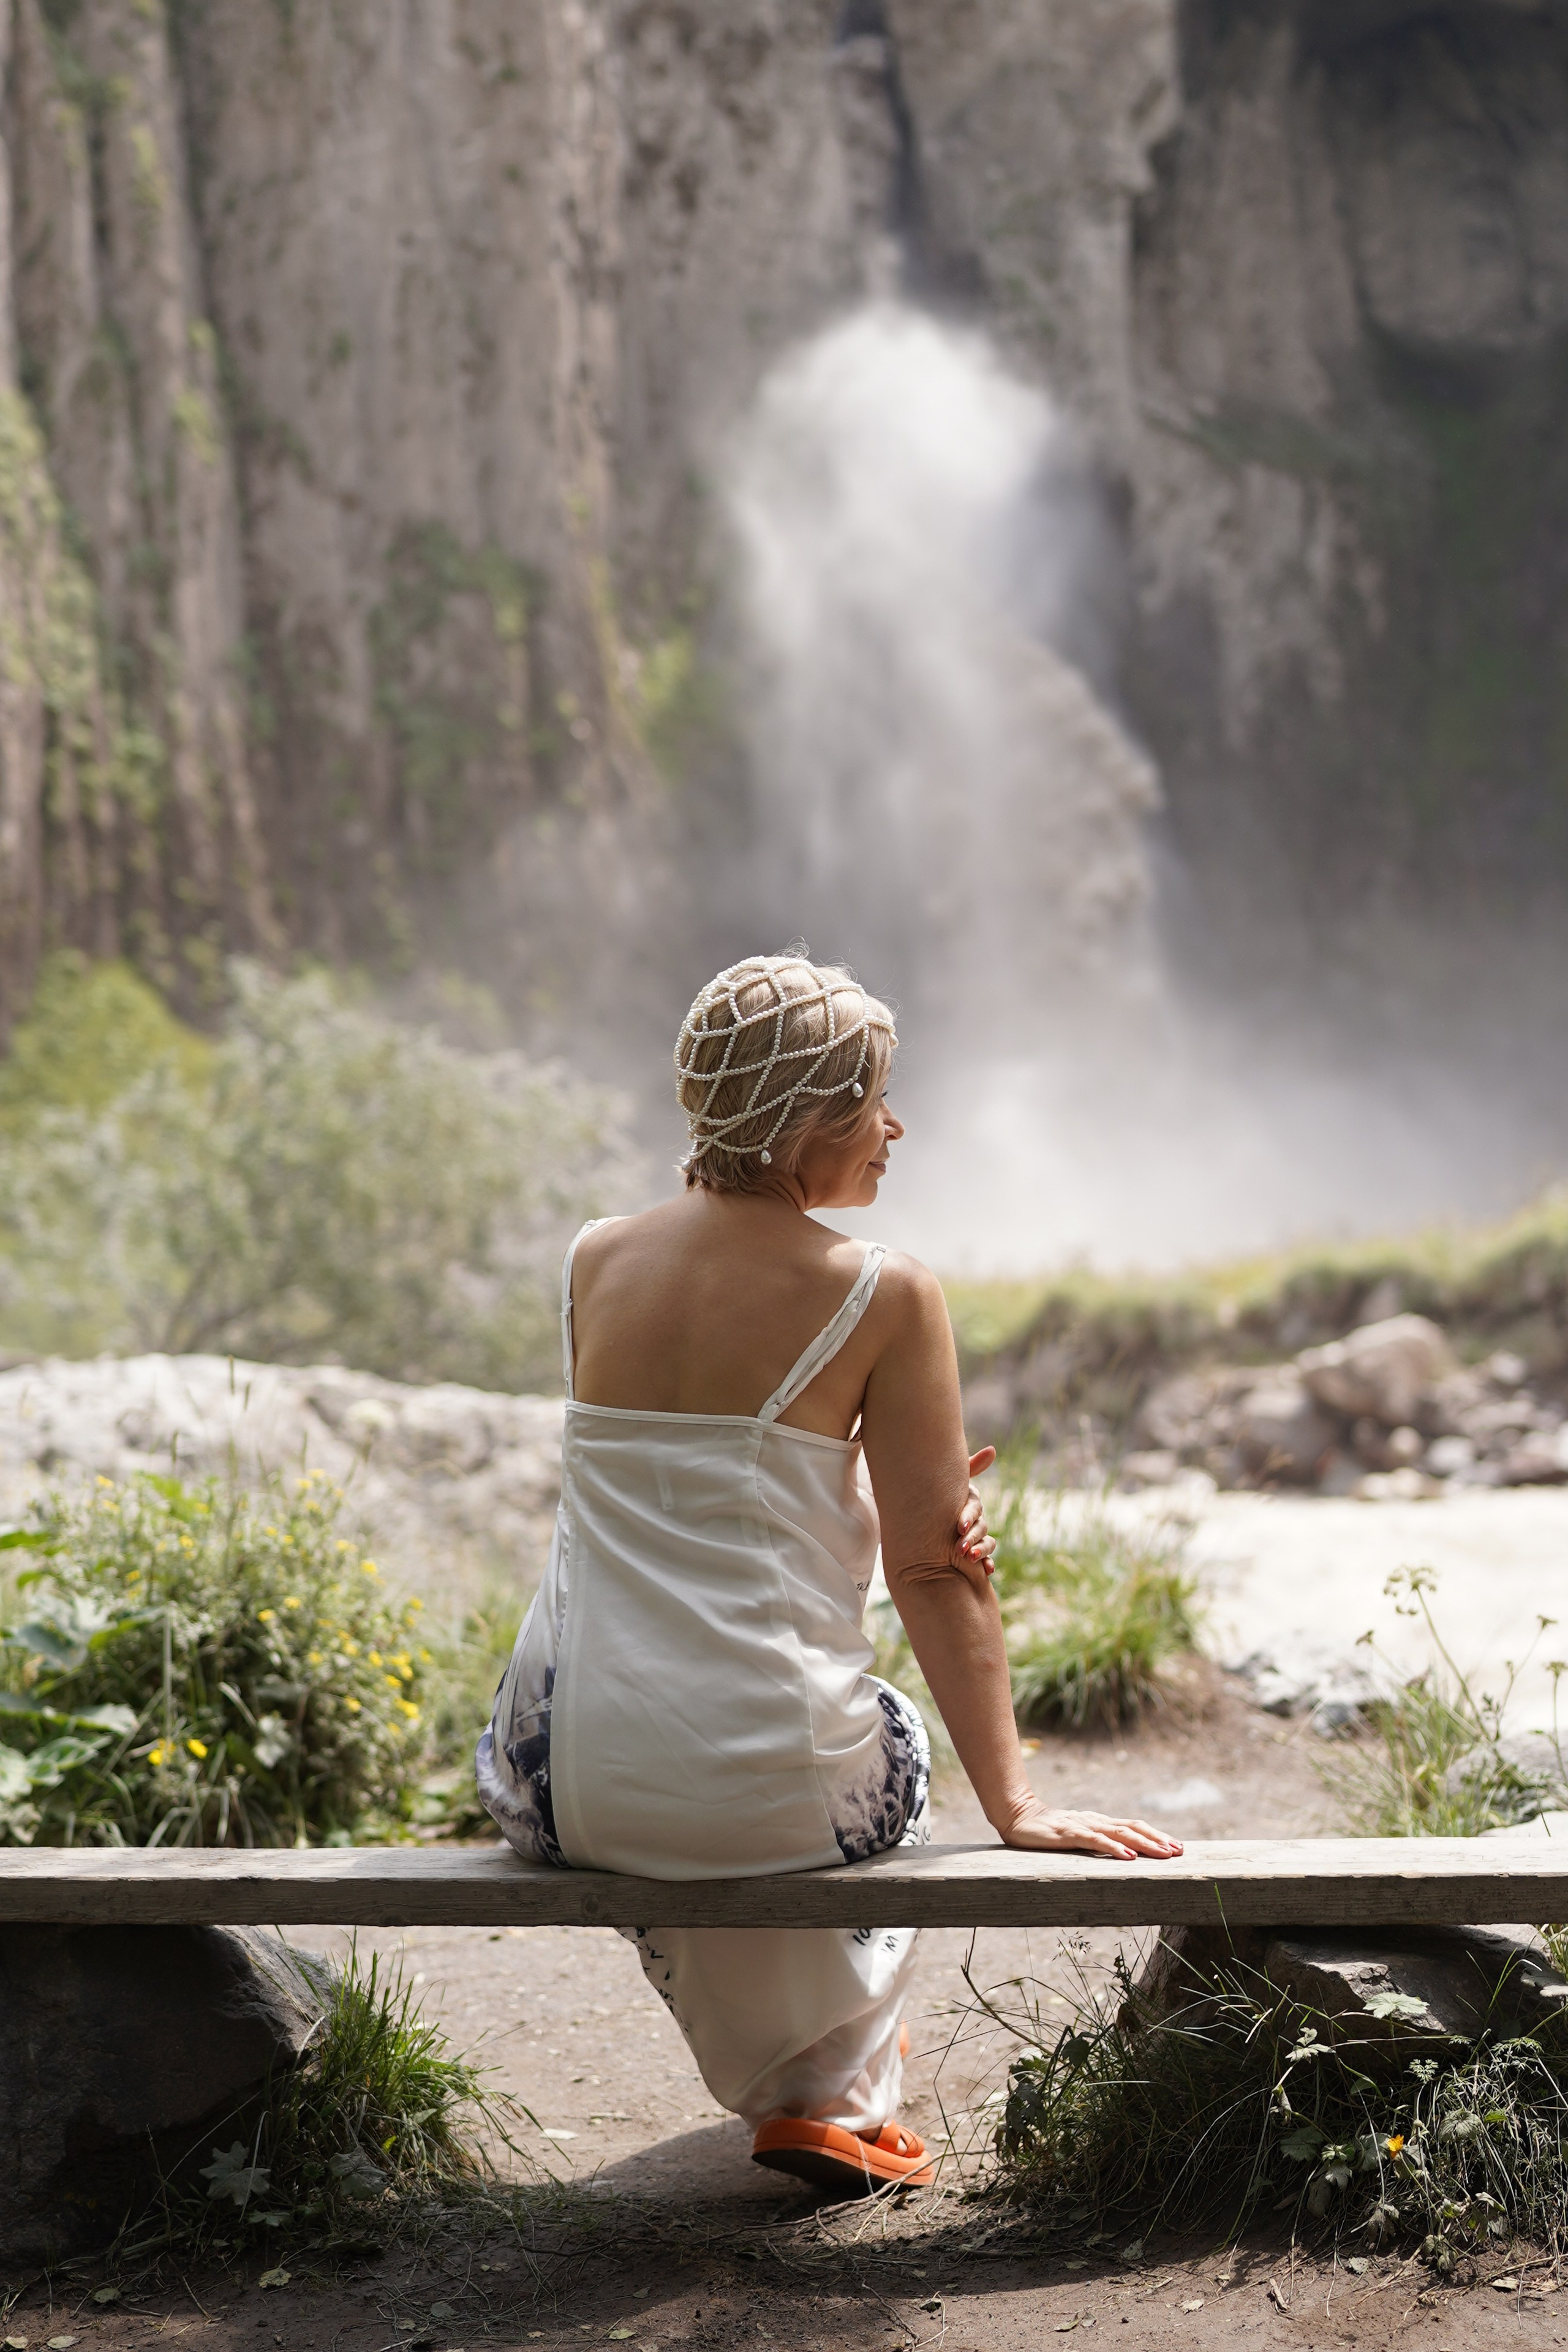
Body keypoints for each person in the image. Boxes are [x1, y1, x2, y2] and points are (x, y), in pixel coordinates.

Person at [477, 952, 1181, 2196]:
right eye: (871, 1103)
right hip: (760, 1788)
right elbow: (932, 1567)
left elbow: (695, 1496)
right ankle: (833, 2090)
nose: (894, 1128)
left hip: (560, 1785)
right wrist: (1013, 1807)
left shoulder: (594, 1259)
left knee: (695, 1767)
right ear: (802, 1122)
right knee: (885, 1752)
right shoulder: (880, 1292)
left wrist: (846, 1493)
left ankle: (809, 2089)